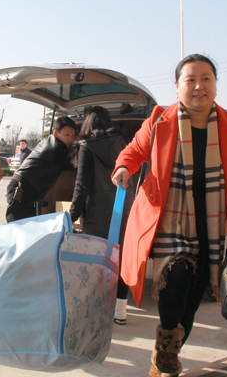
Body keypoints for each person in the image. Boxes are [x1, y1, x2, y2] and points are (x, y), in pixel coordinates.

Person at [111, 54, 227, 377]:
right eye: (191, 80)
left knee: (195, 293)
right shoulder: (160, 119)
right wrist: (123, 167)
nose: (199, 86)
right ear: (177, 87)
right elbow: (135, 150)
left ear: (215, 85)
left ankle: (165, 356)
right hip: (169, 220)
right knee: (176, 279)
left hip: (209, 223)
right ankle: (167, 347)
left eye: (206, 79)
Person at [68, 106, 134, 325]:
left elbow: (82, 186)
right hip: (124, 208)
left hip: (98, 211)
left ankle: (98, 308)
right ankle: (120, 311)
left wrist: (72, 215)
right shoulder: (124, 143)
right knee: (121, 258)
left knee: (97, 259)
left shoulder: (87, 147)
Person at [6, 116, 76, 222]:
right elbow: (74, 164)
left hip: (25, 188)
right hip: (21, 189)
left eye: (73, 135)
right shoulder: (56, 147)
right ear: (56, 133)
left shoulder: (50, 142)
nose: (71, 139)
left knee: (27, 226)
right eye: (67, 135)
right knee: (18, 226)